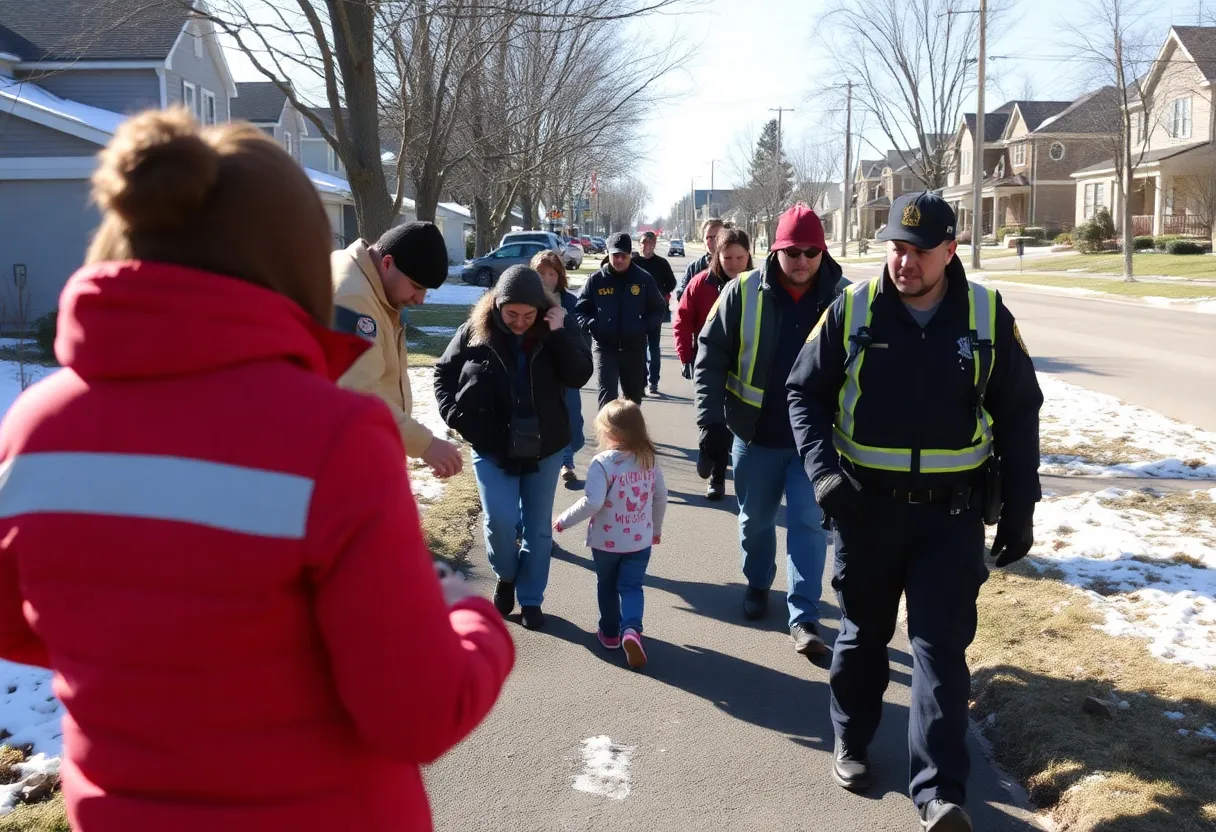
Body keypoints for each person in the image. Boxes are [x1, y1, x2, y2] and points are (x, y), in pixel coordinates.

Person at [0, 109, 514, 832]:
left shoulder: (33, 429)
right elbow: (419, 713)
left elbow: (17, 619)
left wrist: (134, 646)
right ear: (294, 264)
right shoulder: (333, 442)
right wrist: (472, 617)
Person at [787, 192, 1043, 832]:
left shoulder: (985, 314)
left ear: (949, 251)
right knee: (863, 637)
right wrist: (824, 476)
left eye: (919, 250)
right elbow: (803, 394)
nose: (904, 262)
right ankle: (852, 738)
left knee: (939, 651)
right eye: (896, 247)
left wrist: (1020, 505)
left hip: (951, 517)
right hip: (865, 511)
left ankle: (938, 790)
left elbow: (1018, 410)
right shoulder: (851, 311)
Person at [695, 204, 847, 658]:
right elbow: (711, 356)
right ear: (775, 250)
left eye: (810, 251)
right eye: (791, 251)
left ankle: (803, 617)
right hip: (755, 436)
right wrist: (710, 424)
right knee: (756, 521)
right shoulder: (742, 292)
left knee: (806, 525)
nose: (801, 260)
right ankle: (758, 582)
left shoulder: (845, 298)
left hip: (815, 444)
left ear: (821, 252)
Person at [435, 266, 593, 630]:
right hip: (491, 445)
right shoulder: (476, 330)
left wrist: (556, 334)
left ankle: (532, 598)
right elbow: (443, 373)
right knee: (501, 522)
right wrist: (454, 414)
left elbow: (578, 374)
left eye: (528, 315)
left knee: (538, 529)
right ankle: (507, 576)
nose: (520, 322)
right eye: (511, 315)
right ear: (497, 307)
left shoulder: (559, 326)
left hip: (545, 446)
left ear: (541, 308)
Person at [332, 220, 464, 479]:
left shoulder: (366, 281)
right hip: (344, 456)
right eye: (417, 286)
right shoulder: (354, 298)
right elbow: (357, 394)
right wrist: (424, 444)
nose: (421, 299)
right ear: (387, 262)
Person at [554, 399, 667, 670]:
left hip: (607, 542)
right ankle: (631, 630)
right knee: (631, 587)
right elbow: (660, 497)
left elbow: (592, 503)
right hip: (639, 540)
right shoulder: (649, 459)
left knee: (607, 585)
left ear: (611, 433)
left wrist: (563, 520)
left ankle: (610, 632)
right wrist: (656, 527)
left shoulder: (602, 463)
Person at [674, 227, 753, 500]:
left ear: (749, 255)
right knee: (713, 422)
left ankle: (718, 472)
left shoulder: (759, 285)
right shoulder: (700, 284)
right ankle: (711, 462)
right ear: (717, 256)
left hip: (745, 365)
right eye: (727, 257)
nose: (733, 264)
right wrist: (685, 356)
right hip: (708, 362)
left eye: (739, 257)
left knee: (731, 424)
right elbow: (682, 320)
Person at [575, 232, 667, 409]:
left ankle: (631, 437)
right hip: (605, 348)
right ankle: (608, 435)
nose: (619, 260)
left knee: (632, 401)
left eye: (623, 256)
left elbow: (659, 308)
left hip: (634, 348)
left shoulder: (643, 279)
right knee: (607, 399)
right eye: (615, 255)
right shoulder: (596, 280)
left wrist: (643, 326)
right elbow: (579, 310)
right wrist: (592, 325)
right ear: (608, 254)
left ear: (630, 255)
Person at [531, 249, 588, 482]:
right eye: (540, 273)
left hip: (567, 370)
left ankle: (567, 457)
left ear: (560, 276)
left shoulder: (571, 303)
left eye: (552, 274)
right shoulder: (528, 301)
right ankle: (561, 462)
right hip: (540, 373)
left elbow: (581, 339)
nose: (546, 279)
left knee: (573, 419)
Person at [632, 230, 677, 396]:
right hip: (636, 311)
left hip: (655, 311)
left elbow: (671, 283)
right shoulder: (634, 262)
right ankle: (642, 381)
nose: (647, 246)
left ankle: (653, 382)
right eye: (644, 243)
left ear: (655, 245)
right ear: (640, 244)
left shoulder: (662, 263)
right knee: (639, 348)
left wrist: (663, 294)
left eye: (650, 243)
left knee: (654, 347)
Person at [675, 217, 725, 300]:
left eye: (717, 237)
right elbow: (681, 295)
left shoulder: (733, 264)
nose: (714, 241)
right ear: (703, 240)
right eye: (709, 237)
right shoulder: (693, 268)